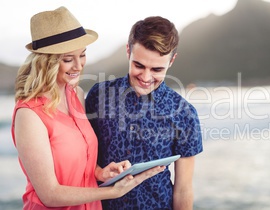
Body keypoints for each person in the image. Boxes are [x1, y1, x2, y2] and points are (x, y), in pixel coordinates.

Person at [11, 6, 165, 210]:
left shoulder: (76, 95)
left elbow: (80, 160)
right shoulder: (29, 115)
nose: (78, 65)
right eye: (67, 59)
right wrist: (112, 191)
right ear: (45, 63)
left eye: (82, 55)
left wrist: (100, 173)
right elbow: (49, 194)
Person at [85, 16, 203, 209]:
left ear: (172, 60)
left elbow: (183, 189)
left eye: (157, 69)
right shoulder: (99, 96)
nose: (146, 77)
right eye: (139, 65)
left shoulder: (185, 113)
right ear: (128, 51)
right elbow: (83, 157)